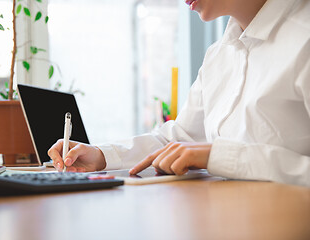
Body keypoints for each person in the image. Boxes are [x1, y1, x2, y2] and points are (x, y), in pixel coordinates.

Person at [48, 0, 310, 187]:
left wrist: (218, 156)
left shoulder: (304, 36)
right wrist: (102, 156)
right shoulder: (218, 55)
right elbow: (178, 139)